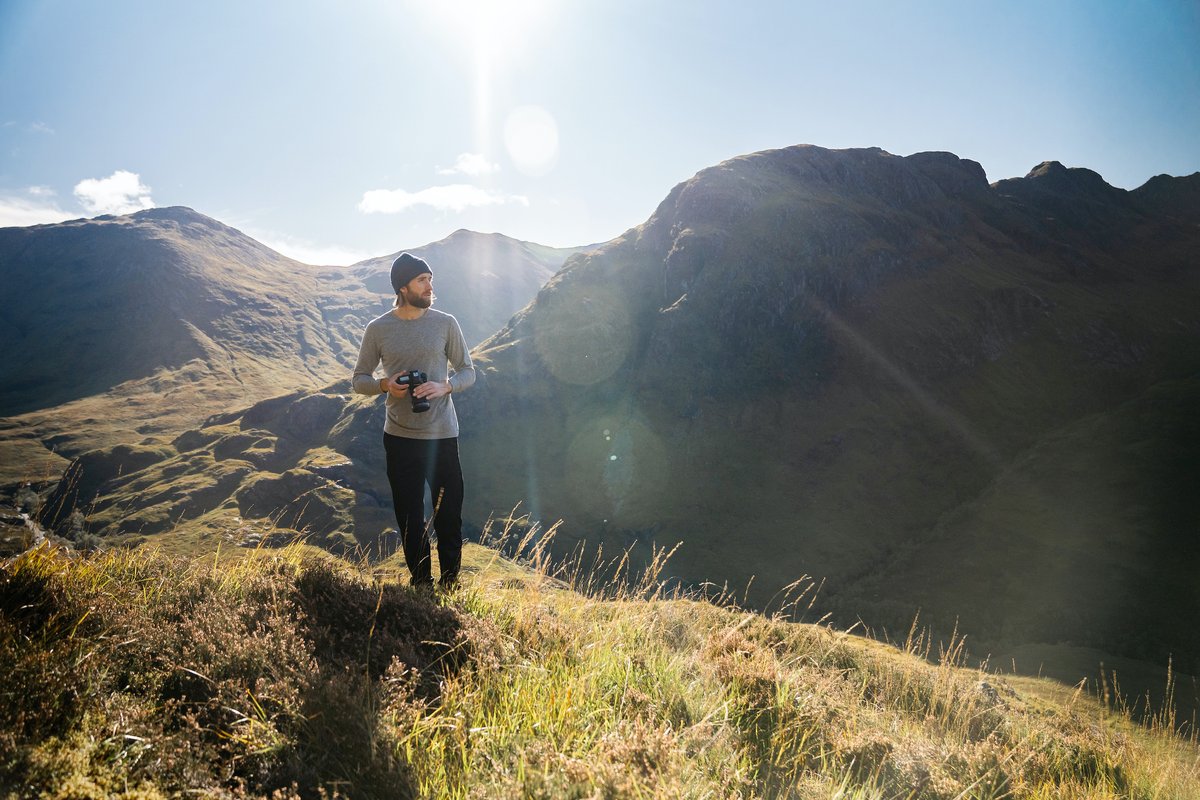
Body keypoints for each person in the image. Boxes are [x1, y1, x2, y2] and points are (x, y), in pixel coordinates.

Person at [352, 253, 476, 589]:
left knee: (449, 516)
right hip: (400, 439)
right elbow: (359, 378)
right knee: (409, 519)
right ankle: (422, 585)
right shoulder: (378, 329)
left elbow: (468, 371)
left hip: (442, 436)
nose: (430, 286)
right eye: (422, 280)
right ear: (403, 287)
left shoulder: (445, 322)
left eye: (430, 279)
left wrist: (445, 385)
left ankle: (450, 584)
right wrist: (384, 385)